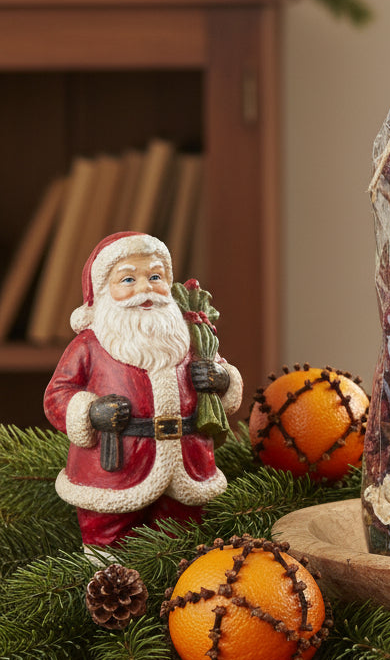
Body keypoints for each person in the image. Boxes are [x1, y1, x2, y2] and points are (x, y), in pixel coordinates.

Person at [44, 231, 243, 548]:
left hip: (187, 464)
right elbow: (58, 394)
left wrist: (221, 379)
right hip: (113, 468)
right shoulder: (89, 346)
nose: (145, 289)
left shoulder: (188, 336)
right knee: (108, 537)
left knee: (184, 540)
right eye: (128, 280)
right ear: (102, 291)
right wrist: (91, 411)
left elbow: (222, 376)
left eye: (154, 276)